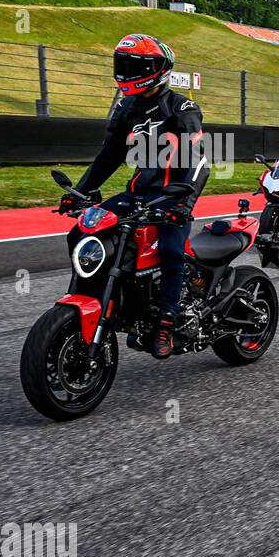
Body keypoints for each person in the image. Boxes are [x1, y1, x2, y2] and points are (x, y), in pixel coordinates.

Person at [66, 33, 207, 359]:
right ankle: (101, 297)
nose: (127, 72)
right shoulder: (126, 107)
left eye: (135, 66)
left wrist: (184, 204)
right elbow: (108, 158)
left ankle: (166, 322)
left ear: (158, 69)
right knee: (81, 231)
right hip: (137, 194)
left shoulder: (181, 107)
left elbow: (199, 159)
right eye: (123, 64)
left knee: (172, 251)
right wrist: (80, 192)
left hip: (173, 196)